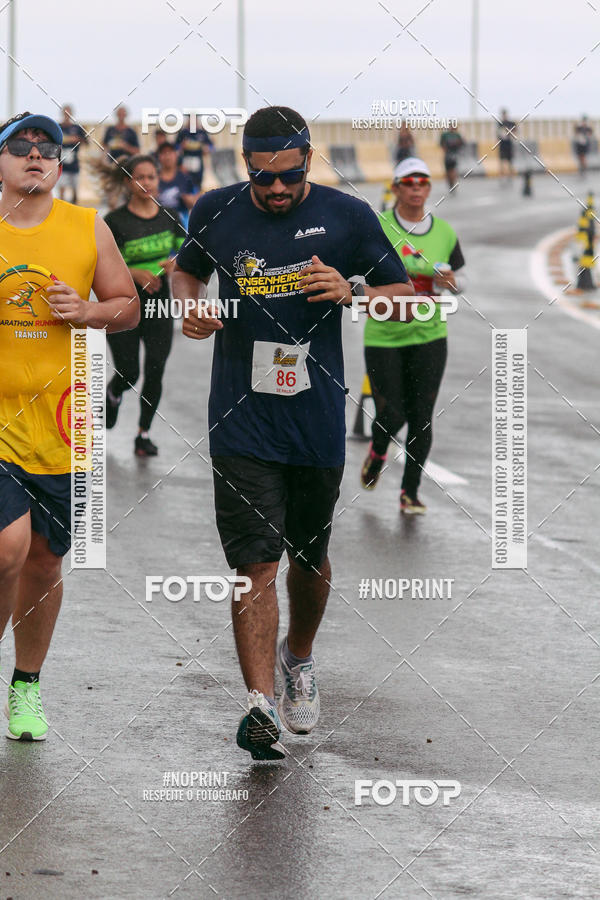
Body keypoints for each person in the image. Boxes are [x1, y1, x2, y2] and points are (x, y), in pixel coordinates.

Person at [173, 106, 414, 760]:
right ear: (244, 164)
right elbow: (185, 269)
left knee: (308, 558)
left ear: (308, 159)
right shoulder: (215, 210)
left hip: (314, 419)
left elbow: (406, 294)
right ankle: (257, 704)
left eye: (288, 175)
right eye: (261, 176)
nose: (275, 189)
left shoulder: (348, 217)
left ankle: (298, 658)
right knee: (254, 559)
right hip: (239, 417)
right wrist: (190, 305)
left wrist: (353, 290)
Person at [0, 112, 138, 740]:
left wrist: (86, 310)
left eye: (47, 148)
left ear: (60, 163)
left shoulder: (87, 228)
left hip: (64, 422)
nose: (35, 156)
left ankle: (25, 685)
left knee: (45, 565)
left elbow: (129, 307)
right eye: (20, 147)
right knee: (7, 548)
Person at [361, 157, 465, 514]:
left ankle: (410, 492)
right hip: (384, 335)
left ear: (429, 188)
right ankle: (377, 451)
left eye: (422, 181)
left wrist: (451, 284)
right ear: (396, 187)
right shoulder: (377, 228)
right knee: (392, 414)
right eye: (409, 182)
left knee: (421, 416)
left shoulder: (445, 233)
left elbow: (457, 282)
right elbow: (359, 274)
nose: (416, 187)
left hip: (430, 335)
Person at [104, 155, 186, 457]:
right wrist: (134, 273)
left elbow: (187, 249)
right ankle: (113, 392)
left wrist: (176, 262)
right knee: (128, 373)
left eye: (151, 177)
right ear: (128, 182)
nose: (147, 183)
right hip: (123, 304)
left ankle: (143, 434)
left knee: (155, 370)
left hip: (159, 307)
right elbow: (100, 266)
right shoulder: (114, 221)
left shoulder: (170, 215)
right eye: (140, 177)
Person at [102, 107, 140, 209]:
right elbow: (104, 147)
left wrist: (125, 146)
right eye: (119, 113)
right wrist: (104, 161)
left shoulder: (131, 132)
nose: (121, 116)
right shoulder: (110, 130)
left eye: (123, 113)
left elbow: (137, 151)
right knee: (112, 195)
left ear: (126, 115)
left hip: (126, 167)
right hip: (112, 166)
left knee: (127, 194)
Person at [157, 141, 199, 227]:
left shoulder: (185, 178)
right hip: (160, 227)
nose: (167, 157)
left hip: (182, 226)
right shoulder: (153, 178)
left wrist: (189, 200)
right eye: (164, 153)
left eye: (170, 153)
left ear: (176, 155)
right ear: (159, 156)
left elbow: (196, 203)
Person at [57, 104, 87, 205]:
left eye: (68, 112)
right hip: (61, 163)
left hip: (74, 163)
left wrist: (76, 139)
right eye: (65, 112)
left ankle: (75, 206)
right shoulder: (58, 127)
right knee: (61, 188)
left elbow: (86, 141)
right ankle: (61, 208)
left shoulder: (77, 128)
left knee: (75, 189)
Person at [175, 116, 213, 191]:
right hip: (186, 161)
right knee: (185, 182)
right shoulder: (183, 133)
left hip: (198, 162)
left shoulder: (202, 133)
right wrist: (181, 146)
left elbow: (212, 146)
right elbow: (175, 146)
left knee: (198, 183)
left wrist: (207, 149)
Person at [439, 124, 465, 190]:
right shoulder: (447, 135)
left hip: (452, 155)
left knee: (452, 170)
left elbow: (461, 144)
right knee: (449, 171)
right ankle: (451, 183)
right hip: (449, 155)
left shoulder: (457, 135)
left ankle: (452, 183)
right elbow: (442, 144)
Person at [497, 109, 517, 177]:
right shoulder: (500, 123)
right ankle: (502, 171)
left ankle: (510, 171)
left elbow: (515, 131)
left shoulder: (511, 123)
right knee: (502, 157)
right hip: (502, 142)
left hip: (509, 142)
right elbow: (498, 133)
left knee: (510, 158)